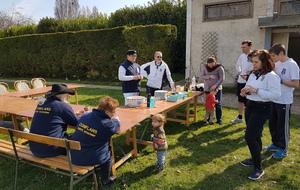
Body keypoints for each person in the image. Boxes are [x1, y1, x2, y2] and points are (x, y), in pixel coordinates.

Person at [239, 49, 281, 180]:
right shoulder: (253, 73)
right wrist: (246, 90)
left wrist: (256, 90)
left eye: (256, 62)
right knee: (256, 135)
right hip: (250, 106)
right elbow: (251, 87)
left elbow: (276, 95)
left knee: (249, 137)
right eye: (252, 62)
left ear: (264, 61)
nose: (253, 64)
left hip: (262, 108)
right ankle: (254, 159)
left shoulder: (271, 76)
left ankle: (258, 168)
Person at [70, 96, 120, 187]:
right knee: (108, 154)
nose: (114, 114)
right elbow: (116, 125)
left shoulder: (85, 115)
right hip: (89, 158)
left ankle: (98, 170)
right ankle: (106, 180)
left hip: (75, 155)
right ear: (107, 112)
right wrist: (116, 120)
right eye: (113, 112)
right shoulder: (107, 125)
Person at [264, 44, 300, 159]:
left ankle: (283, 148)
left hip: (284, 100)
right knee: (273, 123)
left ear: (281, 53)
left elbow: (295, 84)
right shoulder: (277, 63)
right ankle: (275, 144)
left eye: (274, 56)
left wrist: (281, 81)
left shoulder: (292, 65)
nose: (272, 58)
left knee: (282, 125)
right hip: (273, 98)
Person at [29, 84, 79, 158]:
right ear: (64, 97)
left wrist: (71, 114)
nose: (68, 98)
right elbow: (76, 123)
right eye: (68, 96)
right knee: (81, 136)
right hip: (51, 150)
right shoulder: (62, 106)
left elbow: (53, 116)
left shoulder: (41, 104)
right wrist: (84, 116)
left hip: (35, 148)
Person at [231, 40, 254, 124]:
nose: (242, 49)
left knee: (248, 101)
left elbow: (257, 67)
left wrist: (250, 73)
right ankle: (240, 117)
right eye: (242, 47)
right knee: (240, 99)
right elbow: (237, 65)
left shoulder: (254, 56)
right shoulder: (242, 56)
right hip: (241, 81)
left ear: (250, 46)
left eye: (244, 47)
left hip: (249, 82)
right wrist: (240, 72)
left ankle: (250, 119)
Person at [199, 55, 225, 125]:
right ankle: (208, 118)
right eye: (209, 65)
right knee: (209, 103)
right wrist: (209, 76)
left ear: (215, 62)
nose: (211, 67)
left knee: (218, 104)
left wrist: (215, 85)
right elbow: (201, 76)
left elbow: (222, 78)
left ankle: (219, 119)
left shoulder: (219, 68)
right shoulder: (204, 67)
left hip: (217, 89)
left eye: (212, 65)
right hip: (208, 88)